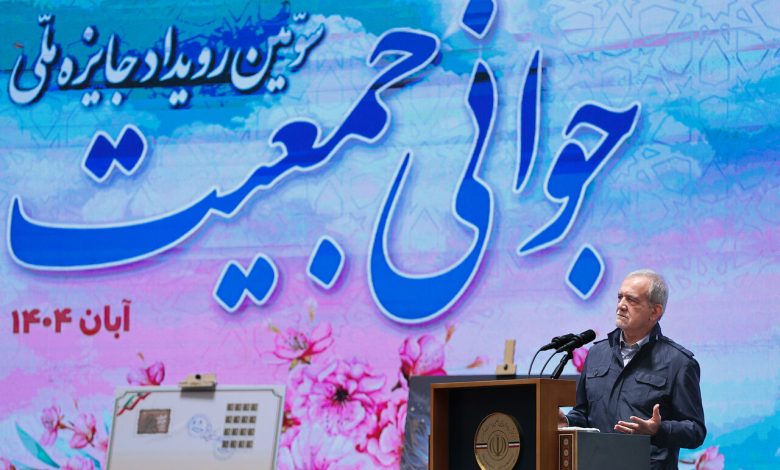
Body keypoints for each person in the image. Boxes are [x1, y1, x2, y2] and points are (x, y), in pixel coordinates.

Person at [559, 269, 706, 469]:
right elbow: (584, 414)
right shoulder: (596, 354)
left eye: (632, 300)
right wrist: (567, 422)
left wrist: (658, 430)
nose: (621, 305)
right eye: (620, 297)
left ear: (655, 311)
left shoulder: (679, 362)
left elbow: (695, 431)